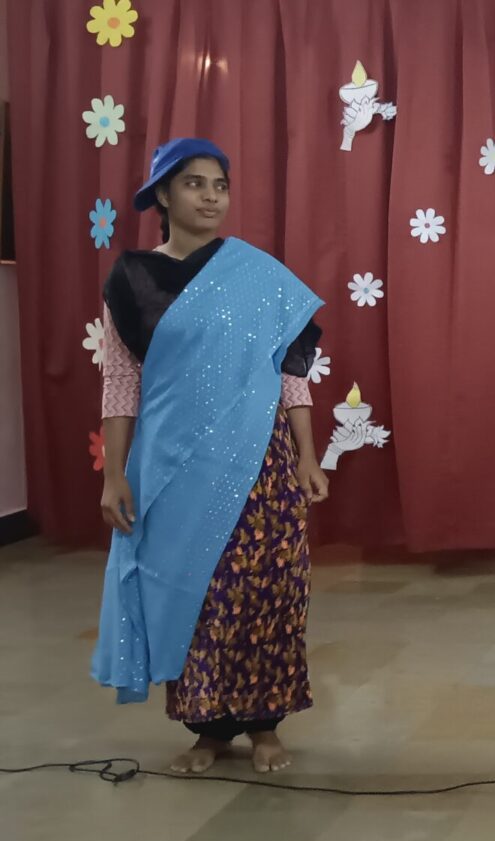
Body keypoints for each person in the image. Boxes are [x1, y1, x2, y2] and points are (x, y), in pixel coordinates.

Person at [91, 138, 328, 775]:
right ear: (163, 195)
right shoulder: (131, 279)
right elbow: (121, 381)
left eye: (219, 185)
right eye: (194, 183)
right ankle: (209, 728)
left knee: (265, 588)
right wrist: (115, 474)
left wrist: (308, 455)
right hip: (172, 466)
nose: (210, 197)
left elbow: (288, 372)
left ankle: (265, 724)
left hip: (259, 462)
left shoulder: (257, 274)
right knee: (193, 593)